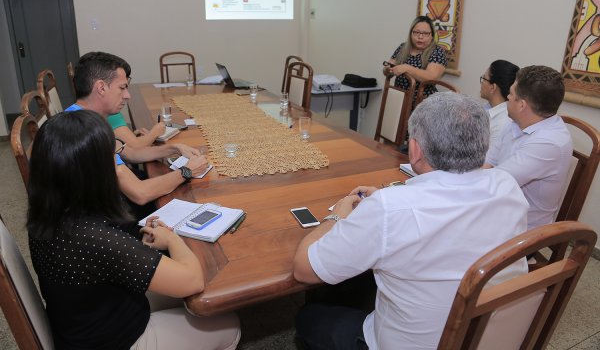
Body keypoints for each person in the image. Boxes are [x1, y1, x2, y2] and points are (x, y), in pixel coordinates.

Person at [293, 92, 529, 350]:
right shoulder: (507, 185)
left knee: (310, 317)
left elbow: (304, 270)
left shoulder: (390, 209)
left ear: (415, 149)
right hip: (487, 336)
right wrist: (389, 199)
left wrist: (336, 217)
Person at [27, 110, 240, 350]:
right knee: (227, 322)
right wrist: (172, 239)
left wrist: (134, 241)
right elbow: (193, 281)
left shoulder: (47, 211)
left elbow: (104, 255)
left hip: (83, 321)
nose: (117, 166)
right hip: (115, 340)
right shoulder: (94, 238)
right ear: (92, 172)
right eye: (113, 157)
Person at [67, 51, 208, 207]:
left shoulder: (84, 116)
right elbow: (140, 193)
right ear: (101, 87)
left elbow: (131, 153)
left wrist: (174, 148)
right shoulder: (85, 131)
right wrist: (186, 171)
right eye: (122, 88)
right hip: (104, 214)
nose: (128, 96)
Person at [485, 65, 573, 230]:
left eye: (511, 94)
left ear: (522, 105)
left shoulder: (549, 143)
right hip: (500, 209)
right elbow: (488, 163)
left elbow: (494, 183)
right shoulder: (515, 123)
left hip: (523, 228)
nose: (507, 97)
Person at [383, 15, 447, 98]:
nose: (420, 37)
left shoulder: (437, 51)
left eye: (425, 33)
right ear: (411, 33)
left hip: (422, 102)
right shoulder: (403, 47)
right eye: (416, 32)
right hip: (400, 99)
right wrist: (387, 70)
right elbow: (389, 67)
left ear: (432, 36)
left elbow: (432, 77)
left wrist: (407, 68)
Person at [479, 59, 519, 147]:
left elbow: (488, 158)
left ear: (493, 87)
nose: (481, 83)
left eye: (484, 78)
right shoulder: (488, 107)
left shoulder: (502, 124)